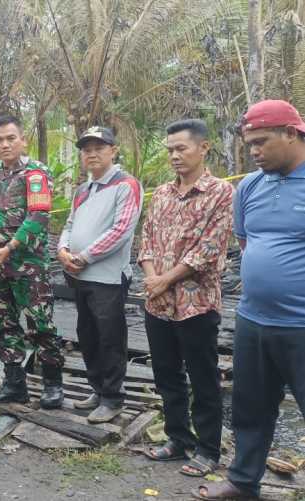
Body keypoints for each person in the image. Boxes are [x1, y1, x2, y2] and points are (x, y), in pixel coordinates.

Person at [195, 100, 305, 500]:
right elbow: (246, 242)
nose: (254, 152)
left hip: (301, 325)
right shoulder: (251, 187)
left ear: (292, 133)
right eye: (249, 145)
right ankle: (243, 482)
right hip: (253, 320)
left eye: (261, 142)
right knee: (251, 407)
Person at [136, 119, 233, 479]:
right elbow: (145, 240)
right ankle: (178, 438)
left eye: (182, 148)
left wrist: (164, 280)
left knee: (203, 376)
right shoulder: (161, 193)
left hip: (196, 303)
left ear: (203, 147)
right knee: (166, 374)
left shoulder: (221, 193)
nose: (174, 156)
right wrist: (152, 281)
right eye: (170, 150)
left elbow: (209, 249)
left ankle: (208, 449)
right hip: (157, 303)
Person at [0, 115, 64, 409]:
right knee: (3, 323)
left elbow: (39, 216)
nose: (5, 144)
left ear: (22, 140)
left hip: (29, 265)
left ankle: (52, 384)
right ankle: (15, 384)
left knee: (40, 323)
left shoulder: (36, 173)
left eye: (10, 138)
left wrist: (11, 246)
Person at [57, 126, 143, 423]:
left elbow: (121, 230)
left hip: (107, 276)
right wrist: (63, 249)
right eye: (86, 149)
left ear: (113, 150)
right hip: (80, 276)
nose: (91, 153)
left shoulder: (126, 184)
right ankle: (98, 389)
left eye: (99, 147)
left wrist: (85, 256)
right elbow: (69, 224)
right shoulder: (84, 190)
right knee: (88, 334)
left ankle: (113, 397)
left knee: (110, 337)